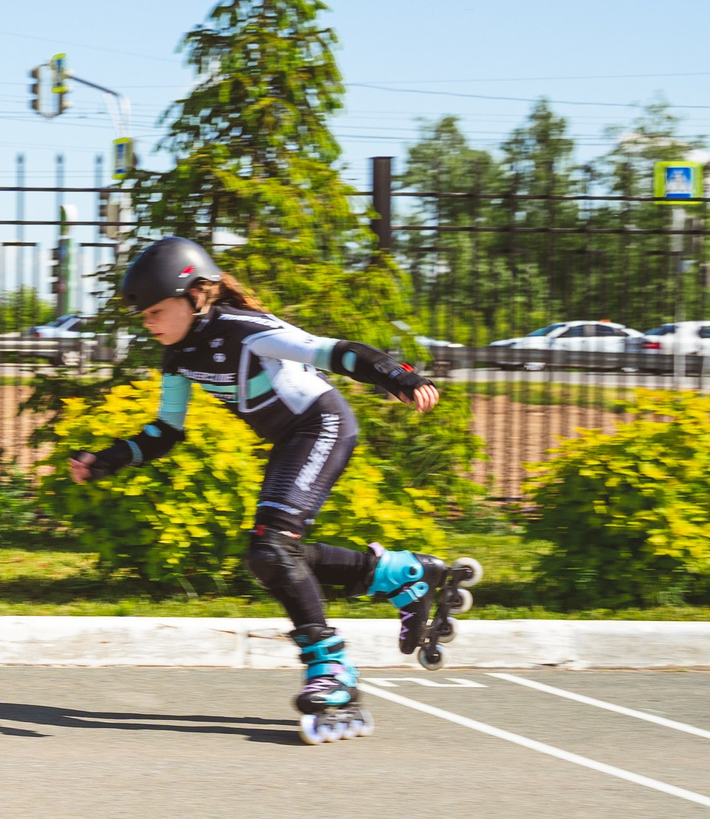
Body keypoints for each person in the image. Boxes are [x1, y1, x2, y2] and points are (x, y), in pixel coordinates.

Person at [67, 236, 480, 741]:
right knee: (275, 554)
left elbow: (333, 352)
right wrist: (105, 461)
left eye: (155, 311)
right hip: (290, 439)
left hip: (321, 425)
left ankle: (332, 671)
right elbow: (165, 433)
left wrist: (397, 376)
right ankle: (403, 574)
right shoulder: (177, 356)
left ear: (196, 294)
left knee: (270, 550)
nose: (149, 323)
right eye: (144, 316)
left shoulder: (244, 330)